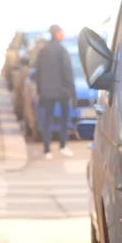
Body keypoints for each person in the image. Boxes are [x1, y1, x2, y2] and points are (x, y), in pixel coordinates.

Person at [35, 25, 76, 160]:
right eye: (61, 32)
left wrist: (40, 90)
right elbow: (68, 72)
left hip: (46, 91)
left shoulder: (43, 51)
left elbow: (38, 73)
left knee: (47, 120)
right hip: (62, 91)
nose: (63, 34)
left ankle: (47, 150)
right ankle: (63, 145)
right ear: (57, 34)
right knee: (64, 119)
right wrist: (72, 90)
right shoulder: (62, 50)